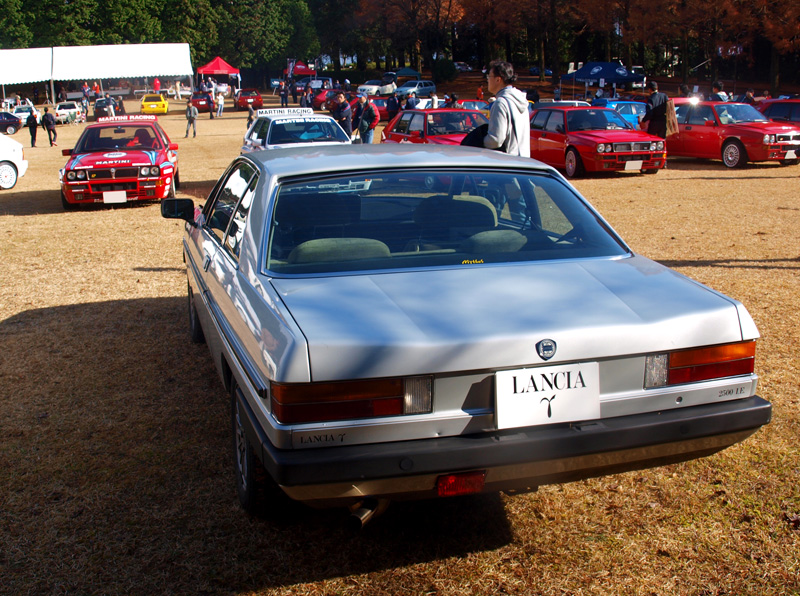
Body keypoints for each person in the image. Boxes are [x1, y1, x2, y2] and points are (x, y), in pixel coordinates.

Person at [483, 60, 530, 156]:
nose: (487, 80)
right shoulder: (520, 100)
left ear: (498, 80)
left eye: (489, 76)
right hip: (524, 161)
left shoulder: (501, 103)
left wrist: (479, 140)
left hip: (507, 162)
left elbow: (496, 140)